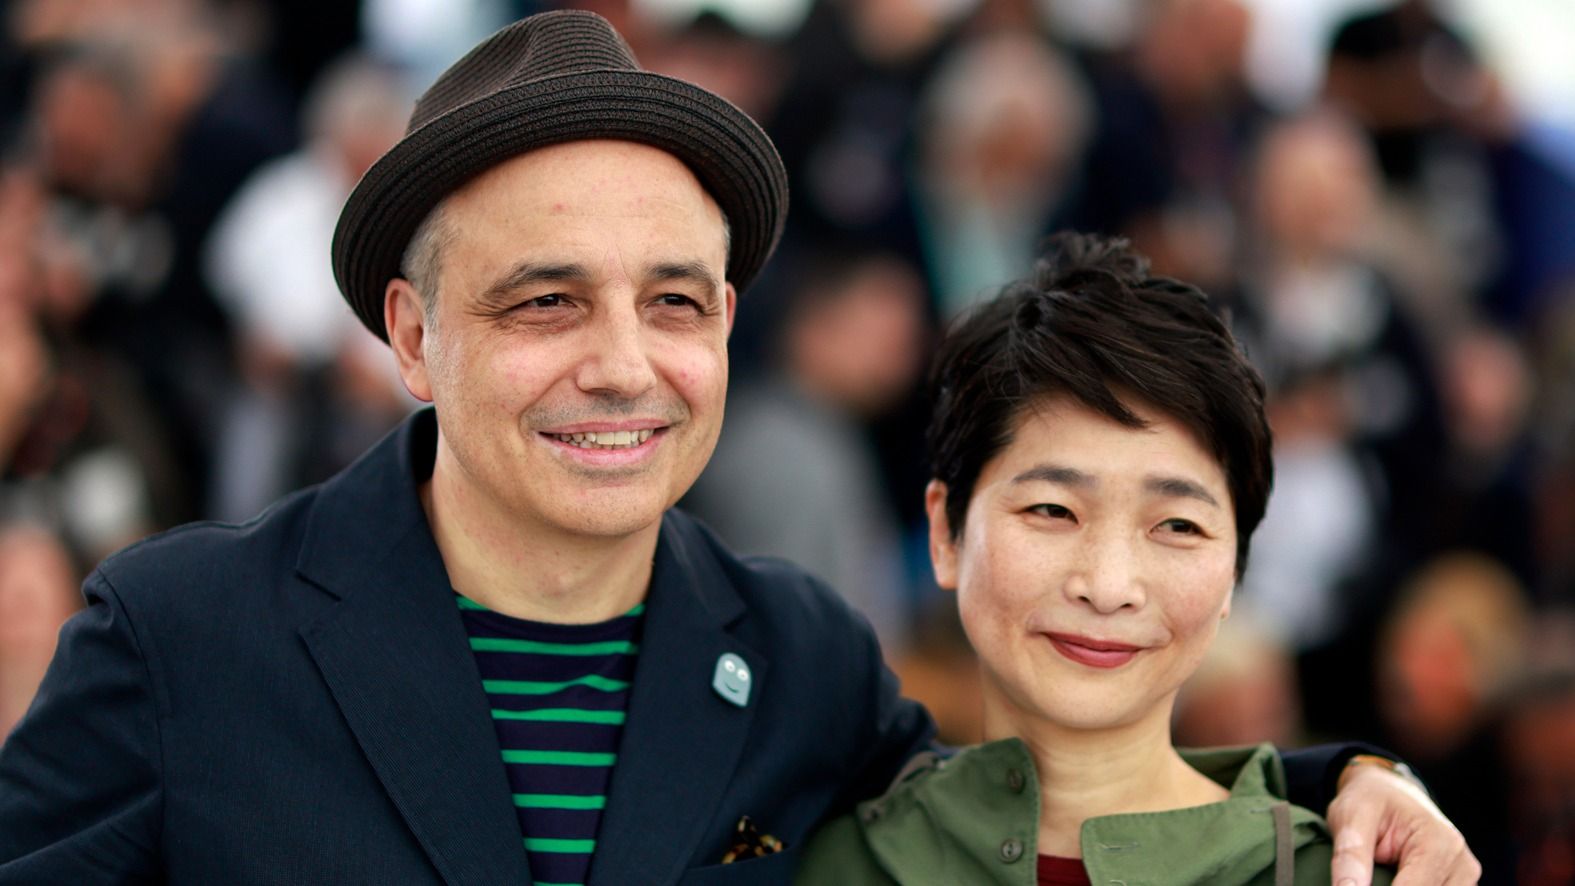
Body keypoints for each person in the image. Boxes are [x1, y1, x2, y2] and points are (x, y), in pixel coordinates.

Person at [0, 11, 1475, 885]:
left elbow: (1024, 807)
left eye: (674, 303)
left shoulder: (797, 658)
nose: (623, 365)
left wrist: (1343, 779)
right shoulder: (181, 635)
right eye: (544, 301)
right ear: (409, 333)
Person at [795, 235, 1453, 884]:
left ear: (1233, 572)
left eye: (1176, 525)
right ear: (946, 531)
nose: (1107, 588)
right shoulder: (828, 863)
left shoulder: (1336, 875)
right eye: (1051, 510)